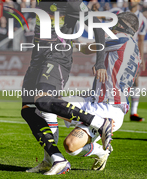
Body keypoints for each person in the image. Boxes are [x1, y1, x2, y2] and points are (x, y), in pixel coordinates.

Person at [21, 0, 111, 175]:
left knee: (43, 100)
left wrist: (100, 62)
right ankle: (56, 159)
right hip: (38, 57)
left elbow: (98, 28)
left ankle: (99, 121)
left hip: (57, 57)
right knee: (28, 110)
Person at [56, 12, 140, 172]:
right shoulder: (133, 47)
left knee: (70, 145)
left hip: (108, 109)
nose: (112, 25)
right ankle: (51, 158)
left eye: (115, 22)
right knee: (48, 103)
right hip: (98, 102)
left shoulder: (121, 39)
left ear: (121, 25)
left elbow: (87, 48)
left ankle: (102, 151)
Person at [110, 0, 147, 122]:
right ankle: (111, 107)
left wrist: (141, 58)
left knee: (136, 81)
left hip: (132, 52)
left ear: (138, 0)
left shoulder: (142, 19)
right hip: (117, 50)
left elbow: (141, 40)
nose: (132, 0)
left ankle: (134, 112)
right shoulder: (119, 13)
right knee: (113, 78)